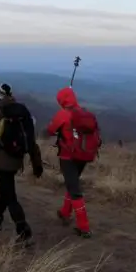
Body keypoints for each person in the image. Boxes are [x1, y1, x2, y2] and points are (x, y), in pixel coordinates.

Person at [0, 83, 43, 247]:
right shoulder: (22, 111)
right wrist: (36, 163)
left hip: (1, 160)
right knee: (4, 188)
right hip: (16, 159)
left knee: (10, 195)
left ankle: (23, 230)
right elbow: (30, 140)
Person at [46, 86, 94, 238]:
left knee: (75, 190)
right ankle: (65, 212)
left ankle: (84, 227)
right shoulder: (85, 113)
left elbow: (50, 130)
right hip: (84, 155)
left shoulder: (63, 114)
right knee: (72, 183)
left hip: (68, 156)